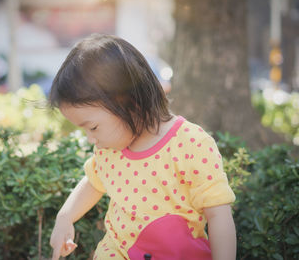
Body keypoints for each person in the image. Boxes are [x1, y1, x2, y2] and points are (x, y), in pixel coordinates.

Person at [49, 34, 236, 260]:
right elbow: (93, 182)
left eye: (94, 127)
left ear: (131, 103)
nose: (90, 139)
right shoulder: (109, 150)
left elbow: (218, 215)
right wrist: (65, 217)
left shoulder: (190, 143)